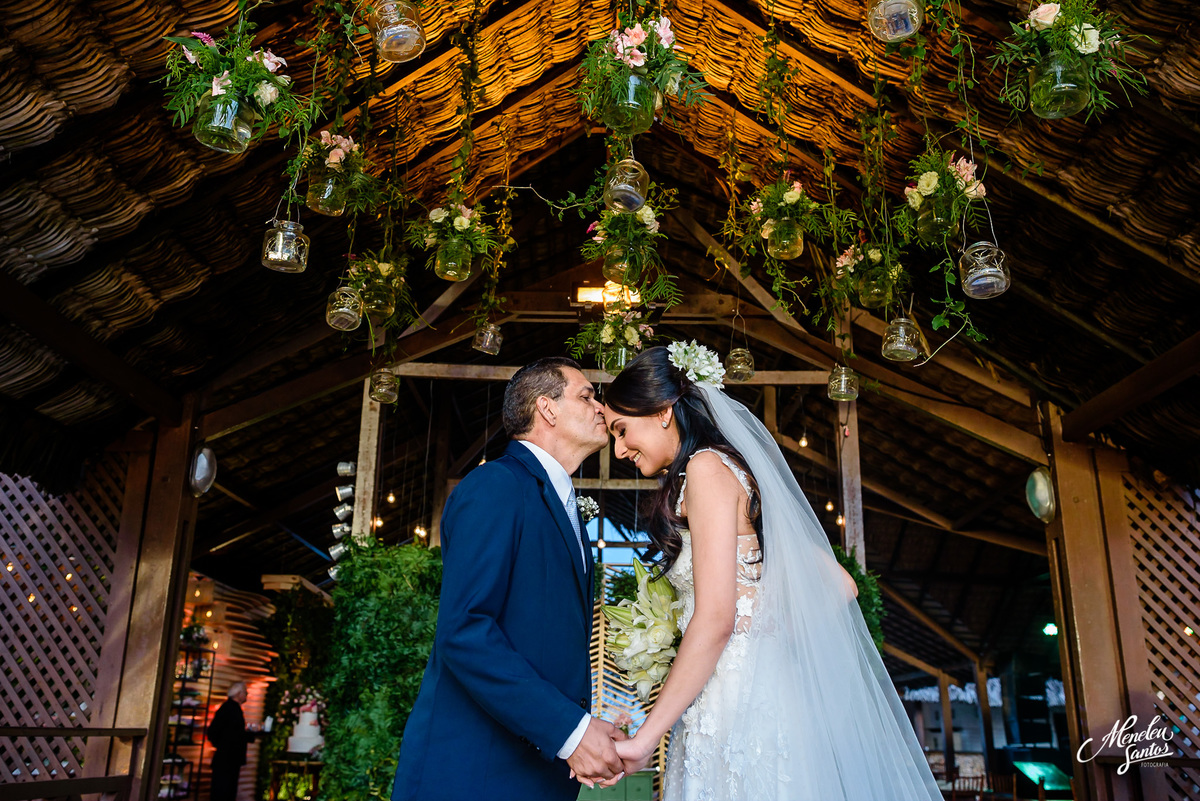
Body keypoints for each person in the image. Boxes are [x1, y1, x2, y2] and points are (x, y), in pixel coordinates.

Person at [595, 343, 942, 800]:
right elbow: (839, 585)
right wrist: (762, 623)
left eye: (622, 430)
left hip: (739, 707)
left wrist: (645, 739)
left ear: (663, 411)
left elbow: (716, 619)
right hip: (743, 693)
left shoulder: (706, 469)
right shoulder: (724, 469)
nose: (619, 450)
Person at [393, 357, 627, 801]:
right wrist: (570, 732)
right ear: (548, 409)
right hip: (477, 775)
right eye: (586, 395)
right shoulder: (494, 486)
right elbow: (465, 631)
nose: (601, 408)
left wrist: (584, 726)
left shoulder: (564, 507)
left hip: (531, 775)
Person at [207, 682, 255, 801]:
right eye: (245, 692)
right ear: (238, 694)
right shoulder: (232, 709)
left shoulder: (228, 708)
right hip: (228, 759)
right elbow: (232, 733)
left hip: (226, 757)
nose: (247, 695)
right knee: (225, 792)